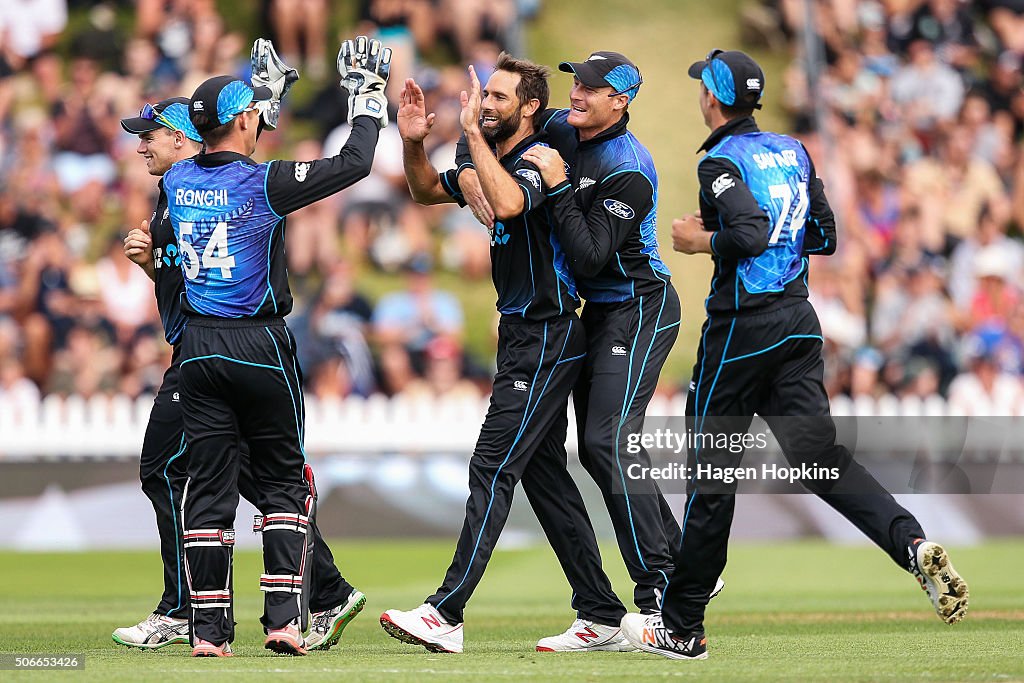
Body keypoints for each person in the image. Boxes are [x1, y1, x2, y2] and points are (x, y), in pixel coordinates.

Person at [620, 49, 970, 661]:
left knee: (713, 472)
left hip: (742, 330)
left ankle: (680, 626)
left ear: (714, 98)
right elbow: (825, 235)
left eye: (704, 83)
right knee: (820, 459)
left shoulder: (722, 160)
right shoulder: (793, 151)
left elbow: (749, 234)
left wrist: (702, 241)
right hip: (800, 324)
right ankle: (910, 544)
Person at [112, 42, 364, 655]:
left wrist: (260, 107)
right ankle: (296, 610)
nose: (143, 144)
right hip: (253, 342)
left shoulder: (177, 184)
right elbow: (320, 169)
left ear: (186, 138)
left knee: (194, 479)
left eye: (153, 134)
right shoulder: (235, 179)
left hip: (197, 352)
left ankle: (198, 622)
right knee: (275, 479)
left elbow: (192, 265)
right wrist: (365, 105)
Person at [379, 54, 631, 654]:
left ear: (529, 108)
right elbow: (420, 190)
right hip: (524, 333)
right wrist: (415, 142)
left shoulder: (545, 156)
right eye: (483, 96)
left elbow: (512, 203)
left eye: (497, 97)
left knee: (491, 466)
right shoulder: (484, 156)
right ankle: (599, 610)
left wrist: (468, 141)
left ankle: (446, 612)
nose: (485, 104)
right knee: (544, 477)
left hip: (547, 333)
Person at [459, 51, 698, 635]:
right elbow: (503, 148)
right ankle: (669, 568)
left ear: (620, 101)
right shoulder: (562, 127)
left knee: (606, 440)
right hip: (596, 313)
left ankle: (661, 588)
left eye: (592, 89)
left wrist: (559, 185)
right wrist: (468, 172)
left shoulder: (629, 168)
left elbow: (592, 254)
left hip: (640, 306)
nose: (578, 94)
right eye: (577, 83)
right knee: (594, 448)